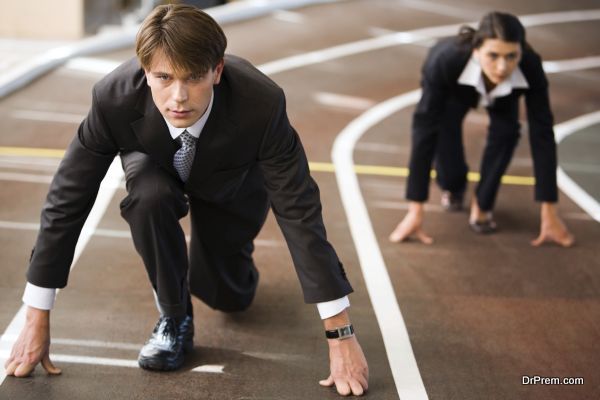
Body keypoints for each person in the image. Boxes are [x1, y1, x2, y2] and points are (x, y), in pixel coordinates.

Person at [4, 4, 368, 396]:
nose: (178, 97)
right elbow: (67, 199)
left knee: (227, 296)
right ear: (145, 73)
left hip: (231, 183)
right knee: (148, 196)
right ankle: (174, 318)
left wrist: (340, 333)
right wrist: (35, 314)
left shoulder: (261, 105)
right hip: (155, 167)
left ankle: (223, 269)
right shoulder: (113, 98)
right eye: (163, 78)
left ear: (217, 71)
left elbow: (299, 212)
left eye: (193, 78)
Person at [389, 11, 574, 247]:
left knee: (506, 133)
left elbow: (543, 133)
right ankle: (453, 188)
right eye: (493, 55)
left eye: (511, 56)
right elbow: (424, 129)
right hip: (455, 88)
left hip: (505, 97)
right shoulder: (445, 60)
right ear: (477, 50)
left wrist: (550, 212)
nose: (501, 67)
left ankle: (483, 204)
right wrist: (415, 209)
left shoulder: (530, 66)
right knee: (444, 130)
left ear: (521, 51)